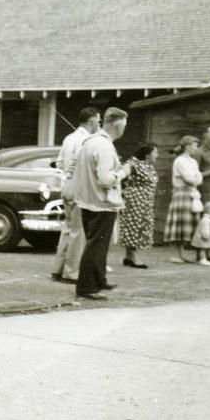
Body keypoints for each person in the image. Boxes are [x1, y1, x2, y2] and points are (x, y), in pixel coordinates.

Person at [71, 107, 131, 300]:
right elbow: (105, 179)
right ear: (115, 124)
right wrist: (123, 172)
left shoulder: (89, 142)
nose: (124, 129)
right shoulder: (104, 146)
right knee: (96, 245)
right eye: (124, 125)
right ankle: (87, 287)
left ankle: (98, 280)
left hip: (87, 200)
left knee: (98, 244)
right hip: (101, 202)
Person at [51, 107, 101, 284]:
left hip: (67, 186)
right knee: (78, 232)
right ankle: (71, 272)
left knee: (68, 229)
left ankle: (58, 269)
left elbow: (59, 162)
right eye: (98, 121)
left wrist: (67, 174)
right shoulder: (88, 140)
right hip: (80, 187)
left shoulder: (69, 138)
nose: (99, 124)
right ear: (91, 121)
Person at [163, 134, 203, 264]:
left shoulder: (193, 161)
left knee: (186, 225)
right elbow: (189, 179)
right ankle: (175, 254)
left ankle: (181, 253)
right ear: (187, 147)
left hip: (191, 194)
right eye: (195, 145)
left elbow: (198, 178)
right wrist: (195, 179)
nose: (196, 148)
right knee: (178, 224)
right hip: (181, 193)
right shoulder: (179, 160)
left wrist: (195, 179)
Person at [118, 144, 158, 269]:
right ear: (147, 155)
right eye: (155, 153)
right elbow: (123, 172)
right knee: (133, 225)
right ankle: (133, 256)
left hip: (146, 200)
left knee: (141, 225)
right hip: (135, 199)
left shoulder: (148, 166)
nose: (157, 155)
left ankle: (128, 256)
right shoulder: (134, 162)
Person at [192, 124, 210, 204]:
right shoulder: (198, 152)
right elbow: (194, 175)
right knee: (209, 213)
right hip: (207, 190)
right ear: (205, 135)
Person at [190, 200, 210, 264]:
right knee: (202, 249)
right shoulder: (206, 220)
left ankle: (203, 258)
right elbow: (205, 228)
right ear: (209, 210)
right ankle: (202, 259)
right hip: (204, 237)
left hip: (206, 237)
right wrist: (206, 235)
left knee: (204, 249)